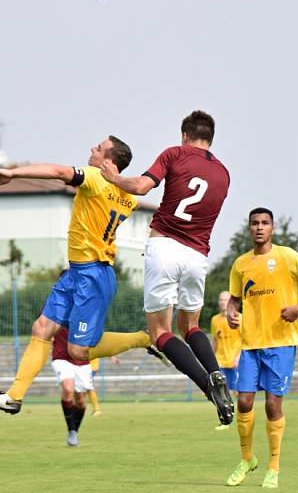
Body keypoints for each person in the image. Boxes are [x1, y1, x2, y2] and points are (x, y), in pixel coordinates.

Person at [0, 136, 155, 414]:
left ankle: (145, 339)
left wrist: (13, 173)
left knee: (78, 351)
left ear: (108, 160)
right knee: (42, 328)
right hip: (78, 272)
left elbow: (59, 172)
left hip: (93, 275)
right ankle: (13, 396)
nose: (91, 150)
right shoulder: (128, 195)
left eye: (97, 148)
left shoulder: (96, 177)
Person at [99, 110, 234, 425]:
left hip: (164, 248)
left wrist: (113, 177)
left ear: (184, 135)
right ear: (210, 138)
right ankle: (216, 373)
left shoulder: (174, 153)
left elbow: (143, 186)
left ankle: (207, 387)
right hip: (198, 256)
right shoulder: (224, 173)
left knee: (161, 332)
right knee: (192, 328)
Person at [224, 208, 298, 489]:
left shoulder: (287, 256)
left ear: (273, 228)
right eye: (255, 223)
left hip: (281, 343)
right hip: (250, 344)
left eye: (264, 223)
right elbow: (234, 299)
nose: (259, 227)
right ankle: (247, 459)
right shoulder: (241, 264)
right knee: (243, 401)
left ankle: (273, 466)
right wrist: (232, 314)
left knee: (271, 405)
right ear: (249, 228)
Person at [51, 327, 93, 446]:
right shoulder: (58, 310)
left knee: (80, 400)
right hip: (62, 357)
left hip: (82, 361)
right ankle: (71, 431)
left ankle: (74, 431)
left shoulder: (86, 313)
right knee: (68, 389)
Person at [211, 290, 242, 430]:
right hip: (220, 361)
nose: (222, 302)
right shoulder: (215, 320)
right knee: (220, 393)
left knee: (238, 393)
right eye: (220, 299)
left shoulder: (239, 318)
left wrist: (239, 356)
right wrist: (211, 359)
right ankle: (225, 422)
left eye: (225, 299)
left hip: (235, 362)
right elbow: (214, 341)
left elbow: (245, 340)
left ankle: (242, 419)